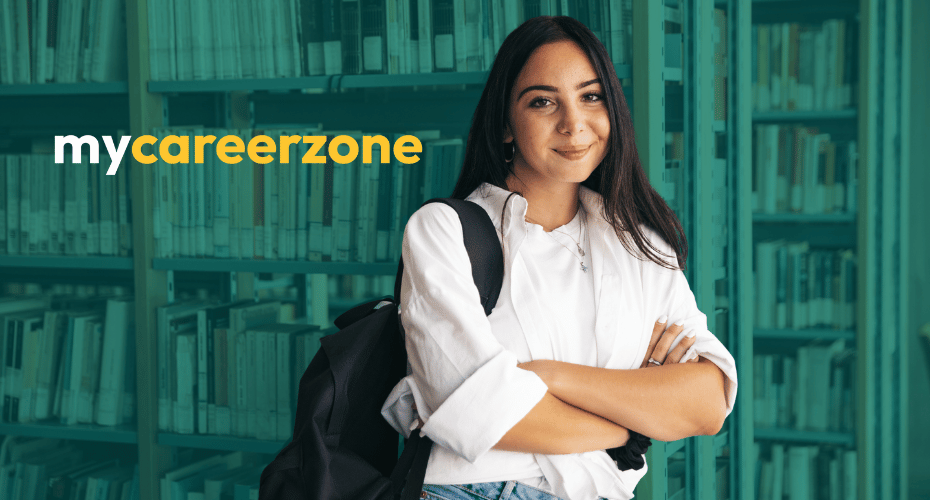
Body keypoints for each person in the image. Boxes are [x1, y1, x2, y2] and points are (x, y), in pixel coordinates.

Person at [380, 15, 738, 500]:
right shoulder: (444, 230)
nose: (574, 123)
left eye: (591, 96)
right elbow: (476, 412)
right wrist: (631, 423)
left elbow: (707, 402)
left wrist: (549, 377)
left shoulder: (638, 240)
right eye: (543, 101)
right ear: (506, 125)